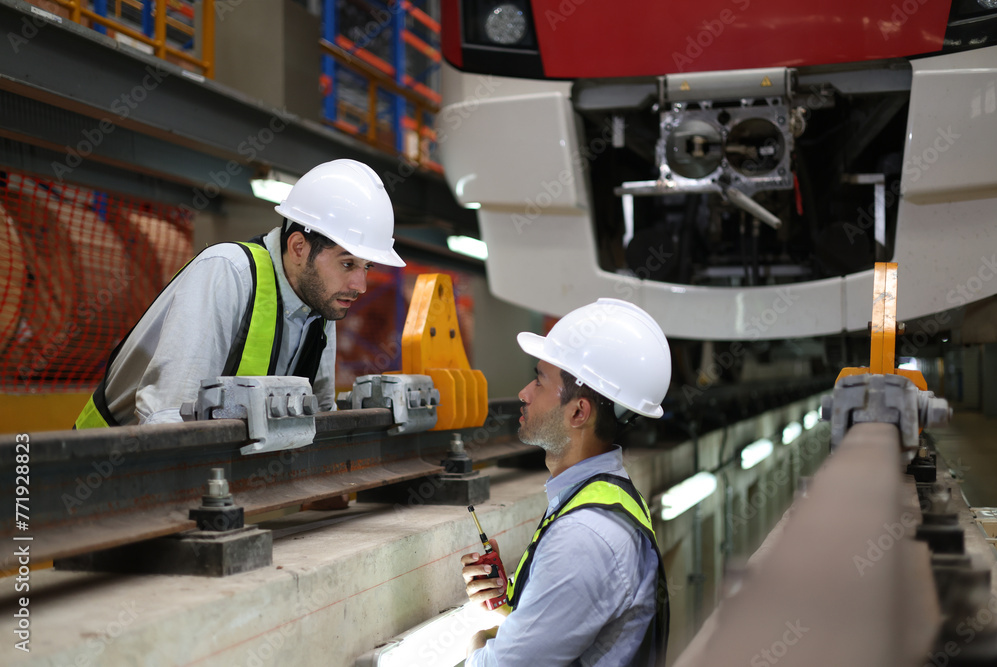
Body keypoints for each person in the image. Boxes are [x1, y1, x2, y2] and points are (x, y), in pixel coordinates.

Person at [74, 158, 405, 428]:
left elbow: (317, 414)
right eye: (347, 264)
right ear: (299, 247)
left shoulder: (320, 305)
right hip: (102, 471)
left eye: (367, 267)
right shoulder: (227, 273)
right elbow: (164, 419)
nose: (360, 286)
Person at [461, 298, 671, 666]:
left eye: (540, 380)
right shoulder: (601, 496)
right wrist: (516, 597)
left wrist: (477, 643)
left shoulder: (585, 535)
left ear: (578, 412)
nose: (524, 393)